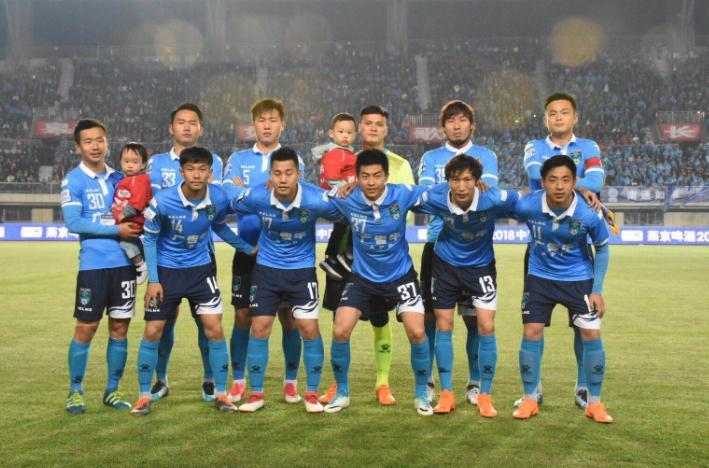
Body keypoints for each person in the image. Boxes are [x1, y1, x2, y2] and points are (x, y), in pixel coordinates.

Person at [130, 147, 255, 415]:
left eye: (202, 169)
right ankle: (143, 396)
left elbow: (219, 225)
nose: (196, 175)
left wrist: (246, 248)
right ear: (181, 172)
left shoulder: (218, 197)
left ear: (210, 172)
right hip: (167, 272)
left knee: (214, 328)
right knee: (153, 331)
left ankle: (221, 393)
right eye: (190, 169)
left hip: (201, 272)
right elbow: (149, 238)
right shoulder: (163, 201)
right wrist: (154, 280)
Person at [229, 147, 342, 413]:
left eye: (288, 173)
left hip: (302, 273)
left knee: (308, 329)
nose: (282, 179)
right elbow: (229, 201)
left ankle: (310, 394)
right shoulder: (258, 196)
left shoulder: (315, 199)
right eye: (277, 173)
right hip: (266, 271)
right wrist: (232, 188)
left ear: (298, 174)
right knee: (259, 328)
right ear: (270, 175)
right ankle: (256, 394)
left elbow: (347, 212)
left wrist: (344, 190)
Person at [323, 149, 432, 416]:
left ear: (386, 176)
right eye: (365, 176)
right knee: (340, 330)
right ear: (357, 177)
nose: (371, 182)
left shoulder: (402, 194)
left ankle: (422, 394)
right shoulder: (348, 197)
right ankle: (342, 393)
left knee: (417, 332)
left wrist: (474, 184)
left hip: (401, 276)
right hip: (362, 279)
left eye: (377, 176)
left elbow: (440, 193)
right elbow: (313, 198)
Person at [320, 105, 415, 406]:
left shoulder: (400, 165)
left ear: (387, 129)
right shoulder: (343, 158)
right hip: (343, 243)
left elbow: (405, 209)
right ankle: (338, 384)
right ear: (359, 128)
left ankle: (382, 382)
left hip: (380, 252)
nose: (373, 128)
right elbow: (328, 196)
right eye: (367, 123)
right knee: (340, 318)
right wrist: (342, 189)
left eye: (379, 124)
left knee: (379, 316)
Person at [517, 92, 604, 409]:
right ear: (545, 119)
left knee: (583, 328)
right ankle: (534, 389)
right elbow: (534, 176)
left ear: (575, 117)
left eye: (564, 112)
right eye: (552, 113)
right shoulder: (534, 147)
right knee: (534, 325)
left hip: (577, 251)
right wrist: (576, 185)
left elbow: (597, 180)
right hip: (540, 250)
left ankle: (583, 386)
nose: (558, 117)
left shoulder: (589, 147)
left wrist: (571, 183)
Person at [511, 155, 612, 424]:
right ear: (543, 182)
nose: (559, 186)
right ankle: (530, 398)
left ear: (574, 182)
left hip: (579, 279)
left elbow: (602, 248)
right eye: (553, 180)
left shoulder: (588, 213)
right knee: (531, 331)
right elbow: (499, 206)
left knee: (591, 333)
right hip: (539, 277)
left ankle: (595, 403)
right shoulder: (528, 205)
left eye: (566, 180)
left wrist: (597, 290)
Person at [415, 154, 517, 417]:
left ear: (477, 181)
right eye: (456, 179)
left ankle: (484, 394)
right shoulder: (436, 196)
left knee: (486, 326)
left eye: (468, 180)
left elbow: (523, 203)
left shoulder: (492, 198)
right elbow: (405, 198)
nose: (461, 186)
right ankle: (446, 394)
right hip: (445, 266)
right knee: (443, 326)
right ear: (447, 180)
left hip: (480, 268)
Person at [417, 100, 499, 404]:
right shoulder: (430, 157)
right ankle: (429, 379)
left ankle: (475, 382)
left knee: (475, 320)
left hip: (475, 248)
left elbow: (486, 192)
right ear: (443, 127)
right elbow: (427, 194)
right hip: (437, 245)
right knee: (432, 317)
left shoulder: (486, 155)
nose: (457, 125)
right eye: (451, 120)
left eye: (462, 119)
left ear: (472, 125)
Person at [222, 98, 303, 403]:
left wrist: (246, 191)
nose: (267, 125)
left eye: (273, 120)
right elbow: (228, 199)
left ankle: (291, 381)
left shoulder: (293, 159)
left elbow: (293, 200)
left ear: (282, 125)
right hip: (248, 251)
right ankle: (239, 380)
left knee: (288, 318)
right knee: (243, 316)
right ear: (253, 125)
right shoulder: (238, 158)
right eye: (261, 120)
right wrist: (261, 189)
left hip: (283, 253)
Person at [146, 102, 225, 402]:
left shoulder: (213, 161)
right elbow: (152, 204)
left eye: (193, 122)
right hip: (166, 256)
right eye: (181, 122)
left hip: (202, 254)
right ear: (172, 128)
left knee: (206, 321)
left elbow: (216, 202)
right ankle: (161, 378)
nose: (187, 127)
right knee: (163, 321)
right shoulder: (155, 163)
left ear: (200, 128)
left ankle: (209, 379)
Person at [61, 119, 141, 414]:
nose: (95, 146)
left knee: (120, 327)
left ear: (107, 142)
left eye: (100, 140)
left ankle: (112, 390)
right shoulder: (73, 180)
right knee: (86, 327)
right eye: (88, 141)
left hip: (124, 265)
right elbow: (73, 222)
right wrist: (116, 230)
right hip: (93, 266)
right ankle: (75, 391)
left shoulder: (121, 178)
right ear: (78, 147)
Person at [318, 112, 357, 282]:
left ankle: (332, 258)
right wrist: (344, 188)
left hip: (334, 196)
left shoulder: (340, 152)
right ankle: (348, 254)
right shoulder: (338, 153)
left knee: (341, 226)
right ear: (331, 133)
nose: (345, 136)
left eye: (349, 132)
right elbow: (332, 177)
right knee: (359, 217)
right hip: (338, 195)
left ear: (355, 134)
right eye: (341, 132)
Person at [112, 142, 152, 285]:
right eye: (126, 161)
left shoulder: (140, 179)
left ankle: (141, 265)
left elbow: (137, 203)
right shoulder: (126, 179)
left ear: (143, 164)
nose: (130, 165)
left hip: (133, 221)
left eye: (135, 162)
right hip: (129, 221)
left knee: (124, 243)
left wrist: (122, 215)